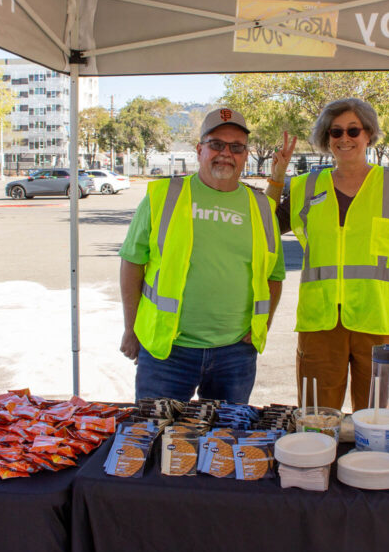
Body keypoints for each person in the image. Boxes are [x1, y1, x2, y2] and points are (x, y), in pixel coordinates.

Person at [265, 98, 389, 412]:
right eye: (335, 132)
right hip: (320, 324)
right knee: (317, 418)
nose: (344, 138)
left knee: (375, 420)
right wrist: (276, 179)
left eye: (353, 130)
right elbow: (265, 229)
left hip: (379, 322)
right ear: (326, 139)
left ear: (368, 135)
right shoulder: (305, 186)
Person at [119, 107, 285, 402]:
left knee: (224, 443)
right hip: (167, 352)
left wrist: (263, 326)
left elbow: (274, 276)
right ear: (199, 149)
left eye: (236, 147)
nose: (226, 153)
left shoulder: (262, 208)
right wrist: (131, 330)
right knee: (157, 440)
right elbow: (132, 264)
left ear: (246, 155)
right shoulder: (162, 197)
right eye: (216, 144)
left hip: (235, 354)